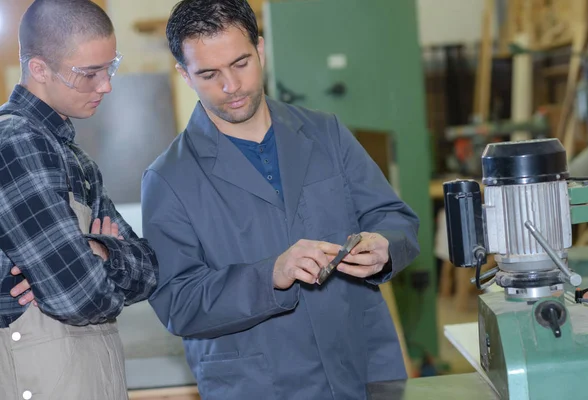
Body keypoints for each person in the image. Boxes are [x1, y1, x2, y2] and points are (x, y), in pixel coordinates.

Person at [141, 0, 420, 399]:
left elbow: (394, 217)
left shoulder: (326, 133)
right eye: (208, 74)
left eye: (241, 63)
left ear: (261, 48)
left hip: (361, 370)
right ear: (184, 75)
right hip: (259, 386)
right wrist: (270, 274)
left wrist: (384, 247)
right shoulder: (168, 179)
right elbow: (178, 303)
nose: (231, 86)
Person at [0, 1, 159, 399]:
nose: (105, 85)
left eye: (110, 67)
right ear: (39, 69)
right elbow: (79, 297)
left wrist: (98, 252)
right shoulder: (16, 144)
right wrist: (102, 256)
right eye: (88, 74)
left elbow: (150, 271)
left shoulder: (74, 157)